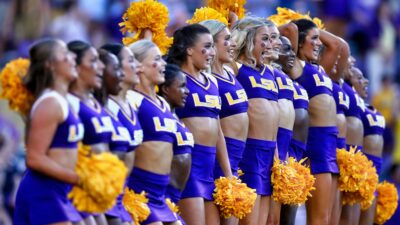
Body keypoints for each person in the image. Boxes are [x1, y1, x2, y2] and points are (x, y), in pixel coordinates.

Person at [14, 38, 85, 225]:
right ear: (50, 65)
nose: (72, 58)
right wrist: (78, 178)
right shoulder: (50, 103)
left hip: (59, 190)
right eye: (65, 55)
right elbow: (34, 158)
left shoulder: (64, 100)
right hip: (43, 192)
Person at [166, 24, 232, 225]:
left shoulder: (212, 81)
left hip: (210, 167)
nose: (212, 52)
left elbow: (218, 129)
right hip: (189, 165)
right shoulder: (176, 80)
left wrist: (228, 172)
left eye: (213, 46)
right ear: (189, 50)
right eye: (207, 46)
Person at [285, 19, 340, 225]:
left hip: (329, 142)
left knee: (327, 218)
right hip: (315, 142)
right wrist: (293, 20)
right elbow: (290, 28)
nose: (319, 43)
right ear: (299, 43)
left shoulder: (319, 69)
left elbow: (338, 46)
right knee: (318, 219)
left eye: (319, 39)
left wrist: (314, 28)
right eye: (314, 39)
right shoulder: (296, 66)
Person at [199, 19, 249, 225]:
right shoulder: (208, 80)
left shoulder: (231, 71)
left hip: (238, 158)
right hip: (222, 158)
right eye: (226, 40)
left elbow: (247, 41)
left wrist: (234, 17)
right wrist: (227, 172)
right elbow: (216, 127)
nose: (233, 44)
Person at [231, 17, 280, 225]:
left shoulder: (269, 72)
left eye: (271, 39)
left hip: (270, 154)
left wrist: (277, 160)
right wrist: (234, 19)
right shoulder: (236, 69)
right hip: (251, 152)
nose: (270, 45)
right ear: (248, 40)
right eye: (265, 39)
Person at [127, 39, 179, 225]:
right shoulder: (132, 99)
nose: (164, 64)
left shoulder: (163, 103)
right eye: (157, 59)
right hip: (141, 191)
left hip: (162, 192)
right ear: (139, 67)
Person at [67, 40, 111, 225]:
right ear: (75, 67)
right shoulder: (68, 103)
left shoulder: (96, 101)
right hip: (76, 191)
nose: (101, 66)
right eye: (93, 60)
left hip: (97, 191)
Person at [95, 48, 135, 225]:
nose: (121, 74)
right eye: (116, 69)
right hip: (101, 199)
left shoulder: (118, 107)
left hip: (121, 198)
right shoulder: (84, 108)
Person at [275, 35, 308, 225]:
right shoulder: (271, 75)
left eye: (292, 50)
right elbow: (291, 28)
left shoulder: (294, 80)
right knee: (276, 216)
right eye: (284, 49)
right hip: (282, 148)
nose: (291, 54)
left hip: (298, 151)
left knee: (290, 217)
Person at [158, 63, 193, 225]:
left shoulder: (176, 117)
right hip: (162, 195)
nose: (187, 91)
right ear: (165, 89)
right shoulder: (159, 117)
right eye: (182, 87)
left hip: (177, 196)